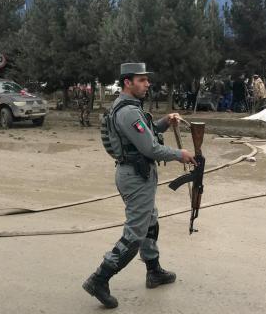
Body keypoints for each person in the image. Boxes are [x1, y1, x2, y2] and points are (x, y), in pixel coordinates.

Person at [83, 63, 196, 309]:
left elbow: (147, 134)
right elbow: (150, 148)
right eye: (142, 80)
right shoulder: (128, 112)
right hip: (135, 176)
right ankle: (99, 279)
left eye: (147, 80)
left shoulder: (131, 108)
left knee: (150, 223)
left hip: (137, 173)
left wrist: (165, 121)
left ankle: (153, 271)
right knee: (135, 233)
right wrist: (180, 154)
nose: (147, 84)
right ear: (127, 82)